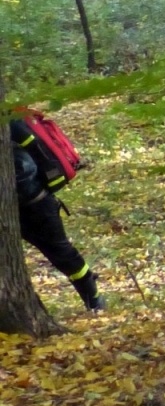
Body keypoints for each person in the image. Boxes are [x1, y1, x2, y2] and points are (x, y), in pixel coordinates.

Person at [10, 118, 103, 310]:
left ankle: (93, 299)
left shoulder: (9, 126)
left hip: (35, 206)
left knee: (61, 254)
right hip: (24, 205)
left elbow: (25, 168)